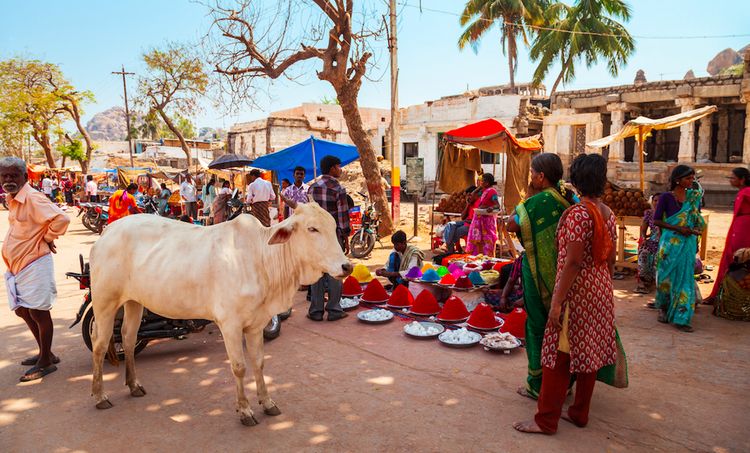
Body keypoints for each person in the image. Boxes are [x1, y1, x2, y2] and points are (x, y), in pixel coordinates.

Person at [514, 153, 620, 435]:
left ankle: (546, 420)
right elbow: (611, 260)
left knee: (557, 358)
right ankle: (579, 413)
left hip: (577, 292)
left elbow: (572, 262)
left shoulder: (577, 215)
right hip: (600, 289)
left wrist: (557, 303)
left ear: (576, 181)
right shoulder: (608, 214)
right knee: (588, 355)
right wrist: (603, 290)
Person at [506, 153, 577, 399]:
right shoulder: (570, 197)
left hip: (538, 273)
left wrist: (527, 197)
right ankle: (565, 382)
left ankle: (536, 384)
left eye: (532, 173)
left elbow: (512, 225)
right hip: (567, 274)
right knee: (564, 327)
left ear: (540, 176)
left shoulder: (538, 202)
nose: (531, 176)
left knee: (537, 325)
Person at [1, 157, 70, 382]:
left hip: (34, 262)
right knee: (23, 310)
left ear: (25, 177)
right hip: (18, 264)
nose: (8, 179)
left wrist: (47, 237)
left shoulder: (31, 197)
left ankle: (46, 362)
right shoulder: (13, 198)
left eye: (13, 175)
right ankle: (45, 352)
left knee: (38, 312)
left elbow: (61, 218)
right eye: (4, 175)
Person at [653, 165, 706, 332]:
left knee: (685, 279)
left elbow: (696, 218)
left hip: (688, 242)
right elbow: (656, 221)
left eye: (692, 178)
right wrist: (678, 229)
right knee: (666, 279)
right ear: (678, 180)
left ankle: (681, 317)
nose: (692, 181)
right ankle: (663, 308)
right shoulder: (666, 198)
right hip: (670, 243)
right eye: (688, 178)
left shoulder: (694, 197)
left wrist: (695, 234)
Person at [308, 155, 350, 322]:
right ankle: (334, 309)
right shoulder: (338, 189)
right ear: (332, 168)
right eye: (339, 167)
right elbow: (342, 216)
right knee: (336, 270)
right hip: (333, 236)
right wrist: (345, 236)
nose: (340, 169)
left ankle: (316, 311)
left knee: (317, 271)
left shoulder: (312, 188)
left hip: (316, 237)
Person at [706, 167, 750, 304]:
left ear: (742, 180)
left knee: (737, 259)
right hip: (739, 227)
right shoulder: (743, 192)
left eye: (733, 178)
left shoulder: (747, 192)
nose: (731, 180)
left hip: (744, 229)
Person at [466, 173, 500, 256]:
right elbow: (472, 196)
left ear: (487, 183)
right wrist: (480, 187)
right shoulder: (483, 191)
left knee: (488, 243)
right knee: (478, 243)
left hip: (487, 222)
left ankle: (488, 260)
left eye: (482, 181)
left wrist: (491, 208)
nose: (480, 182)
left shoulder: (492, 191)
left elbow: (497, 205)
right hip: (479, 220)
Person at [635, 194, 661, 294]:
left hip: (664, 241)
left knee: (659, 256)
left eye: (659, 201)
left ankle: (657, 283)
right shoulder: (649, 213)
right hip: (652, 241)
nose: (657, 203)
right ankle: (645, 282)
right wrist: (644, 238)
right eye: (655, 200)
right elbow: (643, 229)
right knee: (644, 252)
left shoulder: (667, 214)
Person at [442, 186, 479, 254]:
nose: (468, 197)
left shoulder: (478, 203)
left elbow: (478, 220)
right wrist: (468, 204)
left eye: (470, 195)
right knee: (450, 225)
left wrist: (469, 221)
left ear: (475, 194)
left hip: (472, 225)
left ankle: (450, 251)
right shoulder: (470, 203)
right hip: (466, 222)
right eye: (468, 196)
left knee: (452, 233)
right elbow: (463, 217)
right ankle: (448, 247)